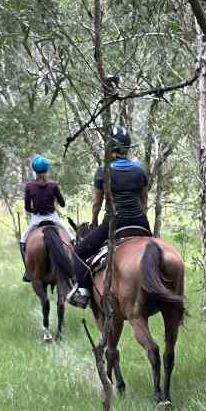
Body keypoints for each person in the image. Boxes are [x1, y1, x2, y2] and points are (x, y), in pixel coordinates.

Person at [66, 124, 150, 308]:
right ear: (127, 146)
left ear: (110, 146)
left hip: (114, 222)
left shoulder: (103, 171)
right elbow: (143, 200)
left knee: (79, 252)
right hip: (140, 222)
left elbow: (97, 203)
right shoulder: (140, 170)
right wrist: (141, 217)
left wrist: (94, 221)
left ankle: (83, 291)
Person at [20, 155, 67, 280]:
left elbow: (27, 208)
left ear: (34, 170)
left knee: (23, 241)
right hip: (53, 217)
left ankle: (28, 271)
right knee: (72, 238)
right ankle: (74, 264)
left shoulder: (29, 186)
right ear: (47, 169)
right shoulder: (53, 185)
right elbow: (62, 204)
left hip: (37, 219)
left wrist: (35, 210)